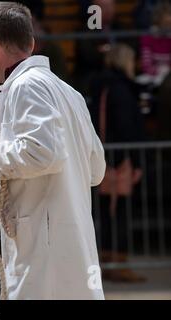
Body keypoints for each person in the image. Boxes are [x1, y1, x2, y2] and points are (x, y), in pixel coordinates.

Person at [0, 2, 106, 299]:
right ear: (30, 42)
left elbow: (41, 153)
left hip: (44, 247)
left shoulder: (26, 86)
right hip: (69, 240)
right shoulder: (69, 92)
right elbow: (96, 169)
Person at [89, 44, 146, 282]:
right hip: (118, 162)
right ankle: (117, 264)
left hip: (104, 159)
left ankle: (106, 262)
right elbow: (126, 128)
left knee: (105, 213)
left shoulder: (101, 87)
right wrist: (133, 161)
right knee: (119, 213)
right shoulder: (121, 90)